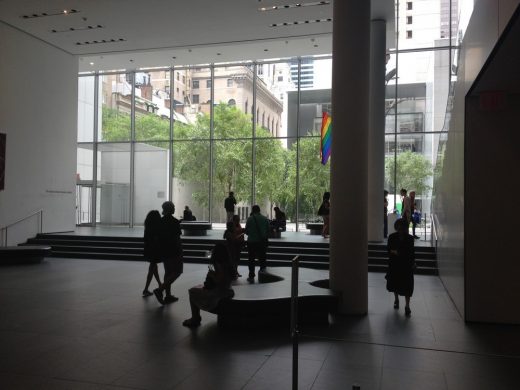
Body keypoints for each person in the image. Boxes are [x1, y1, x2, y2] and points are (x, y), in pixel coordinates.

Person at [182, 243, 235, 328]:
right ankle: (195, 317)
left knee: (192, 291)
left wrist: (211, 274)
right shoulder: (229, 263)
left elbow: (219, 280)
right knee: (197, 289)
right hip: (228, 291)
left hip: (219, 293)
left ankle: (195, 318)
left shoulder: (218, 263)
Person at [153, 201, 183, 305]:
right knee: (177, 271)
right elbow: (176, 238)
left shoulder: (160, 221)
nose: (175, 208)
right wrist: (180, 250)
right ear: (170, 209)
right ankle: (160, 290)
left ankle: (168, 295)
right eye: (173, 207)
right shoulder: (175, 222)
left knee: (168, 272)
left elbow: (157, 237)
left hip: (164, 250)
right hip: (174, 250)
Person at [385, 218, 415, 316]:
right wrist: (396, 252)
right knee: (395, 284)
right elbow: (389, 250)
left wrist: (397, 252)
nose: (400, 229)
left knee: (408, 286)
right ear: (397, 228)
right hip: (395, 264)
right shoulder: (392, 237)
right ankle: (396, 300)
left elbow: (411, 252)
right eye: (399, 228)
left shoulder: (410, 238)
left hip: (406, 265)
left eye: (402, 228)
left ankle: (407, 306)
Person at [245, 205, 269, 282]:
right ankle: (263, 274)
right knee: (262, 258)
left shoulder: (250, 219)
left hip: (251, 242)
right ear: (259, 210)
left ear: (253, 210)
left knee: (251, 259)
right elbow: (268, 231)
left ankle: (251, 275)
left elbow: (246, 231)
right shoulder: (265, 219)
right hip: (261, 242)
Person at [142, 210, 162, 297]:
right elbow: (157, 240)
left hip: (149, 249)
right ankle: (146, 289)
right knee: (152, 269)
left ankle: (160, 284)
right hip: (155, 250)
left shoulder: (148, 227)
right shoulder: (156, 228)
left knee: (154, 268)